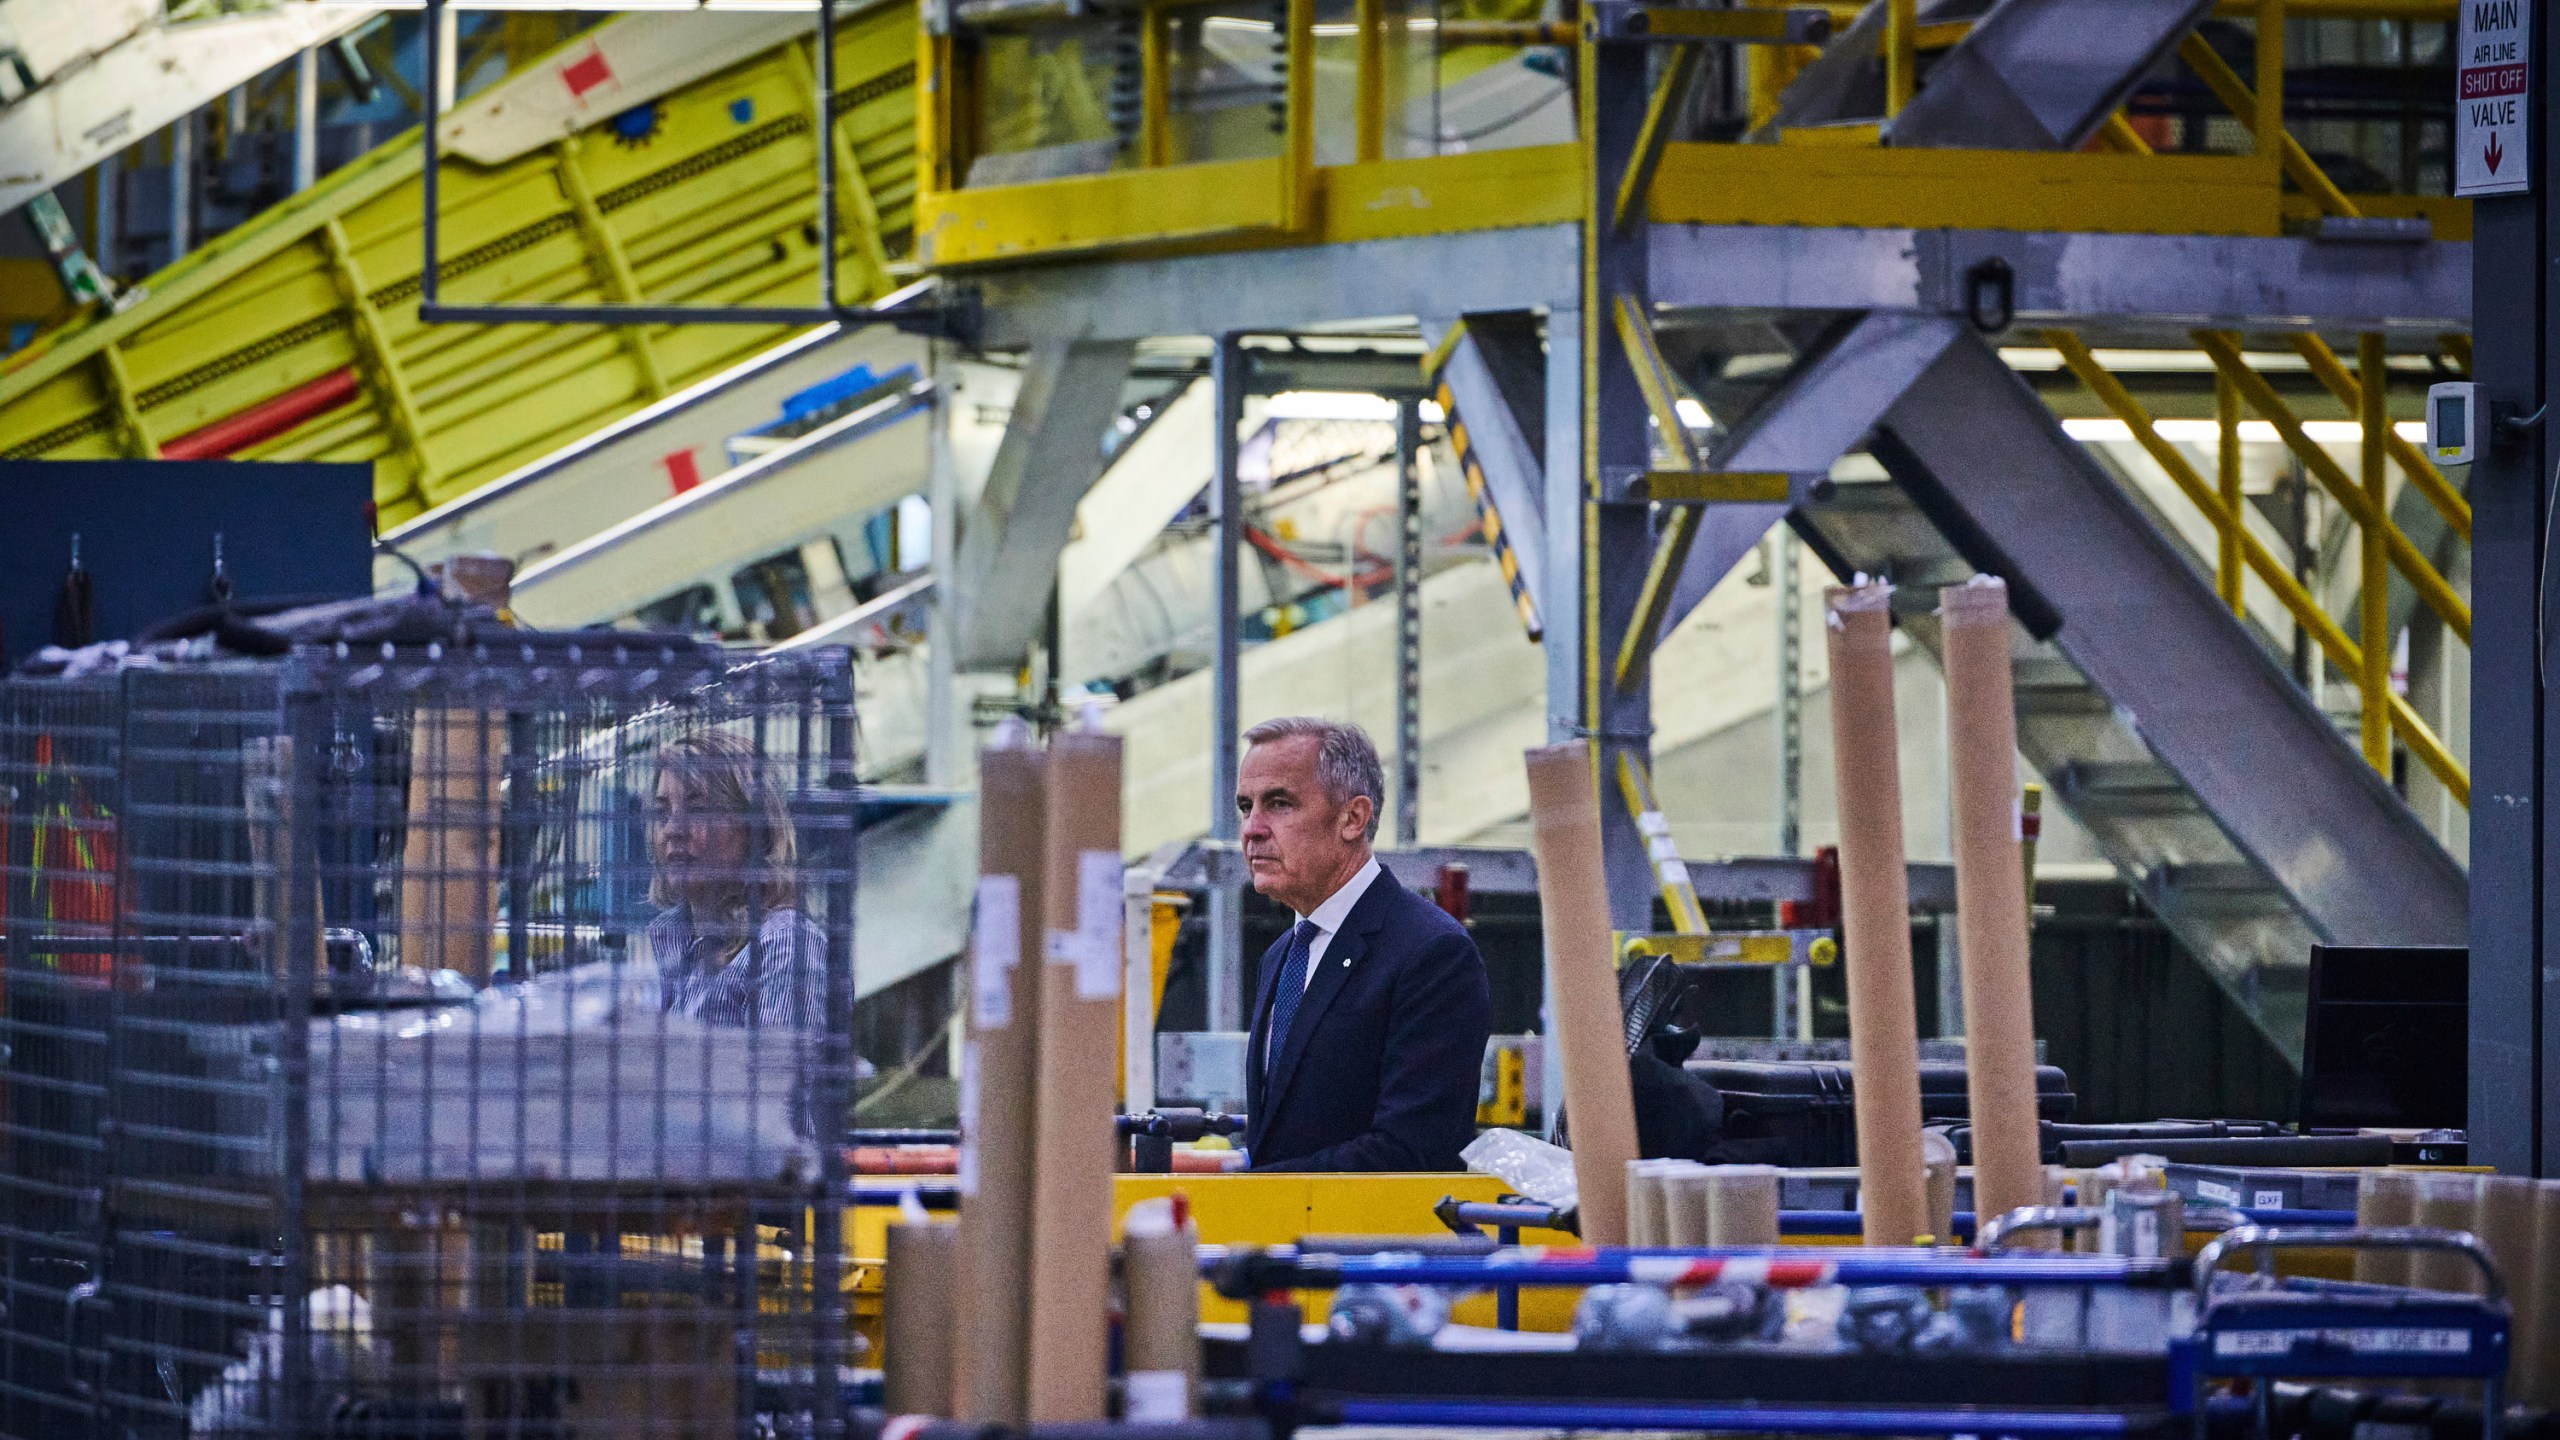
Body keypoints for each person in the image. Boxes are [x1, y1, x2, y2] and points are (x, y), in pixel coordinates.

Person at [1236, 717, 1490, 1172]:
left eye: (1278, 804)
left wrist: (1246, 1191)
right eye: (1245, 806)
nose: (1252, 828)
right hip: (1280, 1235)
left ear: (1353, 818)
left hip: (1376, 1241)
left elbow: (1411, 1151)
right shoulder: (1283, 955)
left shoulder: (1431, 954)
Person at [645, 728, 827, 1028]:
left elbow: (777, 1074)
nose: (673, 830)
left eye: (699, 809)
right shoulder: (678, 942)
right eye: (663, 812)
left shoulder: (785, 946)